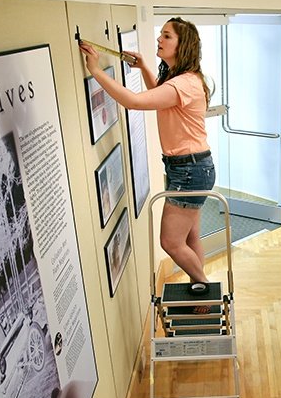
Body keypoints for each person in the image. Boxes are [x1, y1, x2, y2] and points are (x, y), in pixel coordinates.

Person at [80, 17, 214, 295]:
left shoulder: (184, 84)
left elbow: (135, 101)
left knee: (171, 242)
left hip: (189, 170)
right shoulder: (182, 80)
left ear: (182, 45)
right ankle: (199, 285)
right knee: (189, 237)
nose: (159, 40)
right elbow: (159, 96)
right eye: (161, 35)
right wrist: (142, 67)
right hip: (193, 166)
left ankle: (205, 286)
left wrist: (95, 70)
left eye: (166, 36)